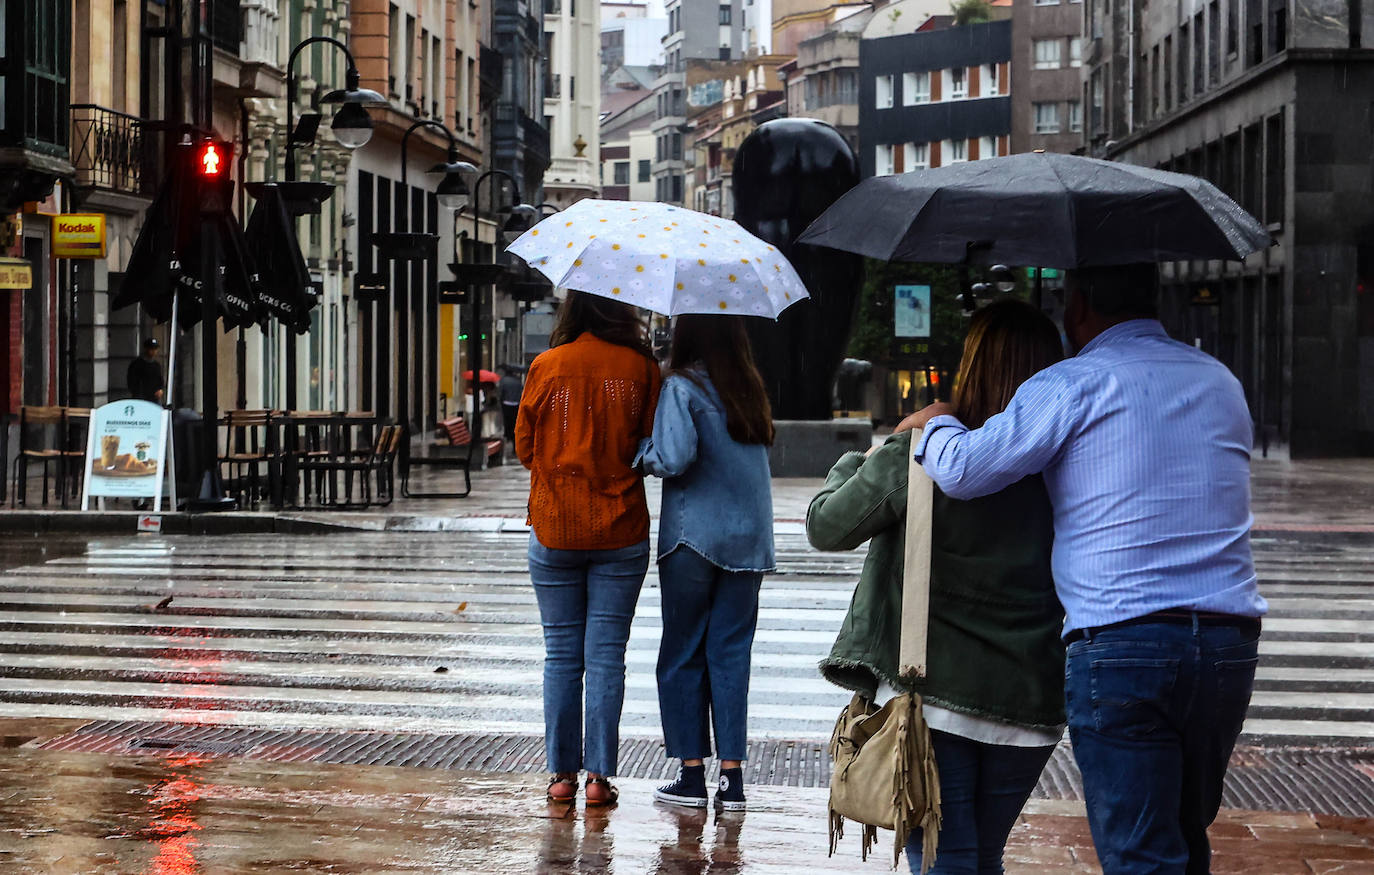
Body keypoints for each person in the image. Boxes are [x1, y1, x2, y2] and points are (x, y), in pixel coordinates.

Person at [901, 264, 1267, 875]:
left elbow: (965, 470)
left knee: (1140, 852)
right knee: (1183, 835)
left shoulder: (1072, 382)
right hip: (1228, 644)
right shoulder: (1220, 381)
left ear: (1078, 307)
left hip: (1123, 641)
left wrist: (933, 422)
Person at [808, 299, 1067, 874]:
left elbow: (827, 525)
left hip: (937, 698)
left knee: (945, 853)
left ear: (971, 365)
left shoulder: (925, 451)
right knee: (982, 855)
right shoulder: (1066, 464)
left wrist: (873, 452)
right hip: (1031, 698)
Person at [515, 290, 662, 807]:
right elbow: (650, 440)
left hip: (555, 525)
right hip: (621, 527)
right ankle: (599, 778)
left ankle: (560, 775)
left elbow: (524, 448)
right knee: (605, 657)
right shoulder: (642, 368)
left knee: (561, 654)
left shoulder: (547, 365)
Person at [634, 315, 776, 813]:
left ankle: (691, 774)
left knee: (682, 652)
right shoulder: (750, 389)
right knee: (731, 654)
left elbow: (674, 458)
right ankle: (732, 780)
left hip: (693, 539)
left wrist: (641, 451)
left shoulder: (681, 386)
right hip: (749, 541)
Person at [127, 337, 164, 404]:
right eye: (151, 349)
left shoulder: (156, 365)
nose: (154, 351)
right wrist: (138, 395)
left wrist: (160, 389)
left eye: (155, 349)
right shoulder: (137, 364)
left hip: (154, 399)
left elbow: (160, 380)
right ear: (146, 349)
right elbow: (132, 382)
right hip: (141, 399)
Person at [498, 365, 524, 444]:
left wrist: (501, 400)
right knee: (514, 421)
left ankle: (508, 436)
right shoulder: (517, 381)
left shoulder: (503, 381)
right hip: (516, 403)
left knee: (507, 421)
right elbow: (521, 392)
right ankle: (513, 436)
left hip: (506, 403)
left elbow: (501, 392)